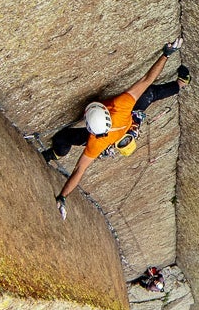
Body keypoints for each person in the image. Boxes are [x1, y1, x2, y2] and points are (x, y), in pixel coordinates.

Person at [56, 41, 181, 214]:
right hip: (128, 120)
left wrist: (63, 195)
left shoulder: (96, 142)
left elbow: (79, 170)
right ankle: (181, 84)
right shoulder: (121, 107)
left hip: (125, 125)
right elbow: (146, 80)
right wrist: (166, 54)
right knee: (150, 94)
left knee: (66, 137)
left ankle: (54, 153)